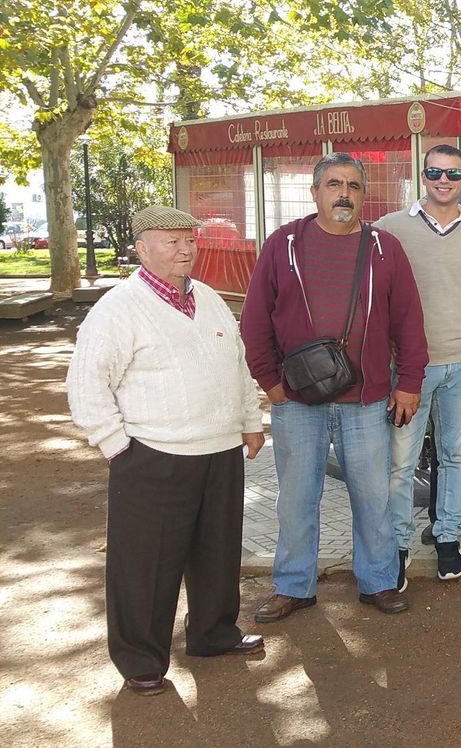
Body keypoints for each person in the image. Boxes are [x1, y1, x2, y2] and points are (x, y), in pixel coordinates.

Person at [67, 206, 266, 697]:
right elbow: (87, 385)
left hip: (219, 450)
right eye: (170, 240)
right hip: (153, 454)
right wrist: (118, 447)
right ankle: (141, 658)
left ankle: (214, 634)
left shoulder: (210, 300)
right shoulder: (118, 308)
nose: (184, 249)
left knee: (217, 552)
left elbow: (237, 365)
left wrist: (248, 422)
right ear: (141, 247)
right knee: (146, 563)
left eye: (190, 241)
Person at [242, 153, 426, 621]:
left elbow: (408, 322)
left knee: (373, 498)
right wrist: (271, 383)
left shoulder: (384, 249)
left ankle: (379, 581)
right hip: (297, 401)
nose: (343, 194)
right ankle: (294, 585)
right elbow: (254, 319)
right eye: (333, 184)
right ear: (315, 192)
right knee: (297, 499)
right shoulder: (283, 245)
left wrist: (408, 384)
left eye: (353, 186)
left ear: (364, 195)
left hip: (365, 401)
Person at [375, 144, 461, 586]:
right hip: (409, 369)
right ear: (423, 176)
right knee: (401, 462)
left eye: (452, 174)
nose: (443, 180)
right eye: (434, 172)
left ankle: (447, 538)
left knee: (455, 456)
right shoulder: (391, 229)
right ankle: (398, 544)